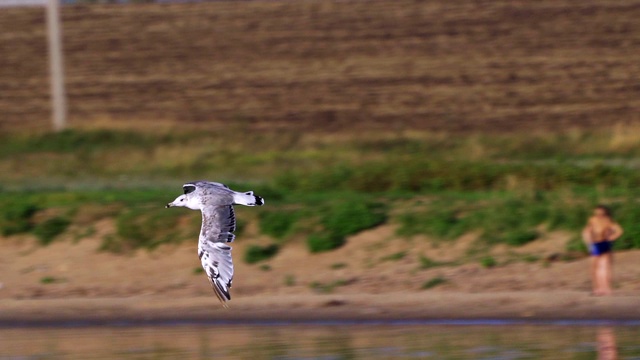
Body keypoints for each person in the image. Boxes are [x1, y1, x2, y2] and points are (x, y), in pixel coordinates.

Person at [582, 205, 623, 296]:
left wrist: (612, 237)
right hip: (596, 244)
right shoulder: (593, 219)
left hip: (602, 243)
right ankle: (598, 288)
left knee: (604, 267)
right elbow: (588, 231)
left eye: (600, 213)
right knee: (596, 267)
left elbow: (619, 231)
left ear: (604, 213)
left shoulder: (608, 220)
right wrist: (588, 242)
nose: (598, 214)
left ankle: (605, 288)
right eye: (597, 212)